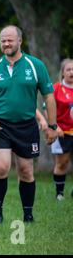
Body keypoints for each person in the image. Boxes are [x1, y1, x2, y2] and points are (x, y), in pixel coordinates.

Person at [0, 25, 57, 224]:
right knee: (2, 167)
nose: (5, 43)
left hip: (27, 126)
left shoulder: (35, 65)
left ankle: (28, 214)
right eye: (3, 40)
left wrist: (52, 126)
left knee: (25, 171)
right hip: (0, 126)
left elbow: (48, 96)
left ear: (20, 41)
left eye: (10, 40)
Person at [0, 110, 48, 201]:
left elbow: (28, 103)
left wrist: (41, 118)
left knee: (23, 168)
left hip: (19, 128)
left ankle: (25, 200)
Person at [50, 58, 73, 200]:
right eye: (68, 70)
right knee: (62, 163)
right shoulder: (56, 88)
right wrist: (54, 126)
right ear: (63, 73)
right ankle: (59, 193)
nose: (72, 72)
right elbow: (48, 109)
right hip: (62, 132)